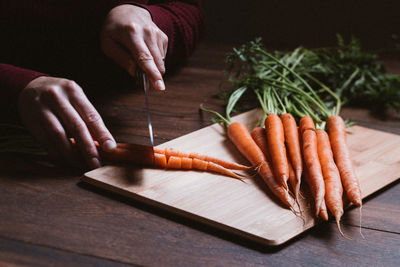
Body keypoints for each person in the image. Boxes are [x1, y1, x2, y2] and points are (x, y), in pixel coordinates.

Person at [0, 1, 204, 169]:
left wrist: (149, 17)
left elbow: (188, 10)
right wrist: (16, 84)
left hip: (120, 98)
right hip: (19, 128)